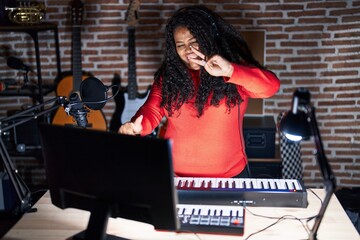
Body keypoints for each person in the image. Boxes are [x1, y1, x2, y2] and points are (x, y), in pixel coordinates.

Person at [119, 5, 280, 178]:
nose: (188, 50)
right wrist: (137, 126)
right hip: (177, 176)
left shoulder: (233, 72)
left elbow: (271, 87)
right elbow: (151, 110)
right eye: (180, 45)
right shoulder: (169, 78)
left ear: (208, 39)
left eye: (194, 41)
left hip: (230, 176)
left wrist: (230, 71)